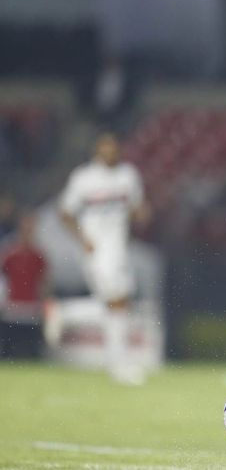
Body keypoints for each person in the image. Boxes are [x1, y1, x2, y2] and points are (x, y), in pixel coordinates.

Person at [59, 131, 149, 385]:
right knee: (116, 301)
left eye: (113, 147)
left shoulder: (128, 175)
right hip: (96, 249)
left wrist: (138, 218)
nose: (109, 152)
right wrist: (82, 239)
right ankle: (63, 313)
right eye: (105, 148)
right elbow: (65, 212)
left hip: (118, 249)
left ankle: (117, 363)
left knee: (116, 303)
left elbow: (135, 208)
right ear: (96, 150)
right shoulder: (83, 178)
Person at [0, 212, 48, 359]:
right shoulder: (9, 252)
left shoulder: (39, 254)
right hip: (12, 306)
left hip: (32, 307)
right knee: (9, 348)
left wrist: (44, 303)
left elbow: (44, 281)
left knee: (32, 350)